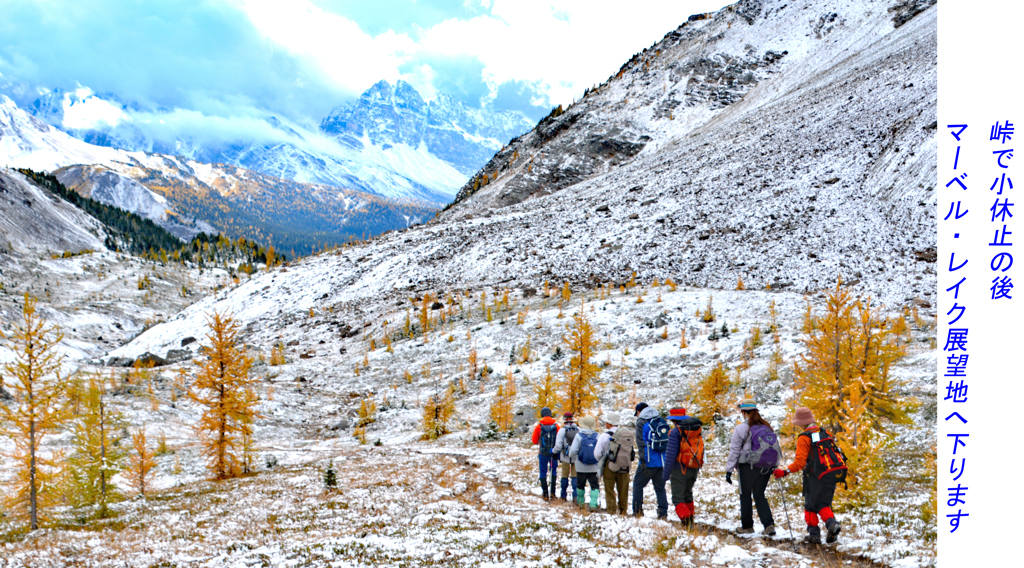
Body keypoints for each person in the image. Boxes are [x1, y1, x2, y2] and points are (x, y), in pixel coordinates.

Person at [774, 407, 844, 544]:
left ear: (801, 422)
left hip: (814, 478)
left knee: (810, 506)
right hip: (830, 475)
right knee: (823, 504)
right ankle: (832, 524)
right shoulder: (825, 432)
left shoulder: (804, 438)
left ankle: (814, 535)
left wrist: (785, 471)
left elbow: (799, 463)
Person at [725, 398, 777, 536]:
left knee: (745, 495)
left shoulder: (741, 428)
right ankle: (769, 525)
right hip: (765, 467)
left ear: (743, 412)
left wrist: (729, 469)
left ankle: (747, 526)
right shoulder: (766, 427)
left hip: (747, 466)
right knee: (760, 495)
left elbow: (735, 450)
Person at [663, 407, 702, 528]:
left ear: (673, 419)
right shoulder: (695, 429)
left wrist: (665, 475)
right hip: (693, 467)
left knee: (677, 498)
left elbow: (670, 455)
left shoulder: (675, 432)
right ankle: (690, 520)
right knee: (688, 495)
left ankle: (686, 523)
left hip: (679, 469)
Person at [633, 402, 669, 518]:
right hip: (661, 461)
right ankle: (663, 513)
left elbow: (640, 443)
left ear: (639, 412)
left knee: (638, 485)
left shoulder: (641, 422)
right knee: (660, 488)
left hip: (648, 461)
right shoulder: (660, 420)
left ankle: (638, 512)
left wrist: (642, 461)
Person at [596, 412, 632, 515]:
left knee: (609, 488)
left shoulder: (605, 436)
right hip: (625, 465)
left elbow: (597, 453)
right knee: (623, 489)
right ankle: (623, 510)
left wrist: (601, 460)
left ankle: (611, 510)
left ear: (609, 424)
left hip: (610, 465)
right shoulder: (626, 434)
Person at [569, 415, 606, 511]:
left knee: (580, 484)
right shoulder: (598, 436)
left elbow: (573, 450)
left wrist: (572, 457)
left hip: (581, 466)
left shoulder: (578, 436)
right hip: (594, 466)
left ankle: (581, 502)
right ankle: (593, 503)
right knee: (594, 485)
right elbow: (602, 451)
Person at [531, 407, 560, 500]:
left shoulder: (539, 426)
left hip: (542, 453)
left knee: (543, 472)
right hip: (553, 453)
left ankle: (545, 493)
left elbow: (534, 440)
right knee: (553, 471)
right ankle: (553, 492)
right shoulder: (556, 426)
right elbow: (560, 440)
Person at [552, 412, 578, 501]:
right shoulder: (578, 429)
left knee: (564, 475)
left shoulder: (562, 431)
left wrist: (554, 451)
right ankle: (575, 496)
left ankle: (563, 496)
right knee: (575, 476)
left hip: (565, 456)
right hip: (575, 457)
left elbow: (558, 445)